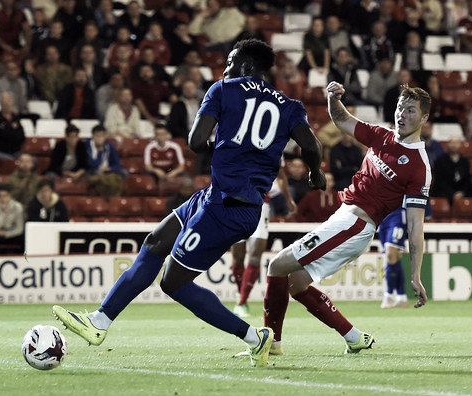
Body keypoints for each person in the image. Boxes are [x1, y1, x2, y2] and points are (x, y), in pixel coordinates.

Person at [52, 39, 326, 368]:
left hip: (226, 205)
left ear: (247, 67)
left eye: (231, 62)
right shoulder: (290, 104)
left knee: (173, 282)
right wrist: (316, 175)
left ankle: (254, 337)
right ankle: (100, 321)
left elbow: (196, 142)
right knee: (156, 241)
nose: (225, 68)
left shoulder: (223, 89)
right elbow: (311, 145)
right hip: (228, 201)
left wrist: (227, 135)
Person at [262, 80, 431, 356]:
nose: (402, 114)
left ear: (424, 117)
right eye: (401, 108)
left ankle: (270, 345)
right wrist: (332, 97)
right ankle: (354, 337)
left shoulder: (418, 166)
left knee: (277, 264)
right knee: (296, 282)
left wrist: (415, 274)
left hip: (357, 225)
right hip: (345, 217)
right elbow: (341, 119)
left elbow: (415, 224)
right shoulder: (382, 136)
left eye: (411, 110)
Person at [232, 166, 296, 318]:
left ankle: (241, 302)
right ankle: (241, 293)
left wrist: (288, 199)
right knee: (238, 257)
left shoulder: (274, 145)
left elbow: (280, 176)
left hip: (261, 206)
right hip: (236, 204)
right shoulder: (236, 144)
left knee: (255, 256)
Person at [85, 124, 125, 199]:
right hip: (93, 171)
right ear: (93, 136)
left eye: (102, 136)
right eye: (98, 136)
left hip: (108, 171)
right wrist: (100, 152)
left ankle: (109, 198)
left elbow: (117, 164)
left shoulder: (109, 146)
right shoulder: (87, 145)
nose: (100, 138)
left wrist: (109, 169)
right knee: (103, 175)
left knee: (123, 173)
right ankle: (112, 198)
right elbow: (88, 162)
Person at [0, 184, 24, 254]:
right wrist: (3, 214)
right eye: (0, 196)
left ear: (10, 196)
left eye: (5, 196)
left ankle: (24, 261)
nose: (2, 199)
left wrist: (6, 234)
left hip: (12, 233)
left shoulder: (17, 207)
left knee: (24, 238)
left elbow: (19, 229)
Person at [0, 93, 25, 160]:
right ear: (0, 104)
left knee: (30, 159)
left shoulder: (16, 118)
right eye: (5, 102)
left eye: (9, 102)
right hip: (0, 151)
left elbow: (21, 136)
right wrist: (13, 130)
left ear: (12, 104)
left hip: (15, 151)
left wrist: (7, 130)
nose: (7, 104)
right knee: (10, 161)